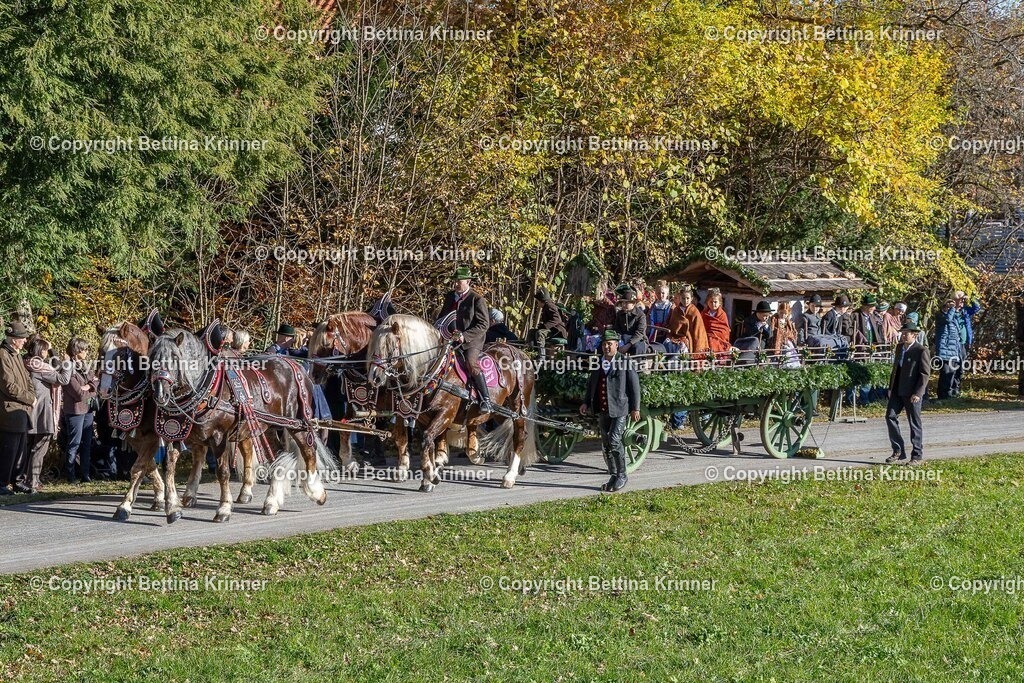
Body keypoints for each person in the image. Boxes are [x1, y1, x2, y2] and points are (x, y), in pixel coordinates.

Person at [580, 329, 640, 493]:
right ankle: (613, 475)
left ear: (616, 345)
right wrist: (586, 402)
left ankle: (622, 474)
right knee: (606, 444)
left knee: (614, 440)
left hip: (620, 408)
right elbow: (592, 385)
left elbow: (634, 387)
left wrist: (635, 408)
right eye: (604, 344)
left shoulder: (624, 362)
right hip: (603, 408)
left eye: (610, 344)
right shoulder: (599, 363)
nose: (607, 347)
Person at [22, 338, 72, 493]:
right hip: (42, 413)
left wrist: (52, 351)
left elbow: (54, 369)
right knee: (40, 447)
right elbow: (62, 378)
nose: (46, 352)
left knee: (29, 447)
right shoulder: (39, 367)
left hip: (31, 412)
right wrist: (68, 363)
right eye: (44, 350)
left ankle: (25, 479)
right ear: (39, 351)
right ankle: (33, 482)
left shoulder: (27, 363)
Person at [446, 266, 495, 412]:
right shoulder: (449, 296)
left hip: (472, 341)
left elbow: (484, 324)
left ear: (468, 281)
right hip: (450, 338)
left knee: (471, 363)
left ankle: (486, 400)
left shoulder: (477, 299)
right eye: (454, 281)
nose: (455, 284)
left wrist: (464, 336)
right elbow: (442, 316)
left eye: (458, 281)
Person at [885, 321, 930, 465]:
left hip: (912, 393)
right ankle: (898, 450)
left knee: (914, 423)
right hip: (898, 390)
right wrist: (891, 387)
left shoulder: (921, 350)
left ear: (914, 335)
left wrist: (918, 393)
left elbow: (924, 374)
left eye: (906, 333)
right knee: (890, 416)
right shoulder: (899, 348)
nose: (903, 336)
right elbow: (895, 369)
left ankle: (917, 455)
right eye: (902, 333)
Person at [0, 322, 35, 495]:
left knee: (21, 448)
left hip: (22, 409)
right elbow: (8, 385)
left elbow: (28, 380)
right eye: (22, 338)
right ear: (14, 340)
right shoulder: (2, 355)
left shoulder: (16, 355)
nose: (25, 340)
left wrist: (31, 395)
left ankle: (17, 481)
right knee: (9, 449)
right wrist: (30, 398)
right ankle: (2, 482)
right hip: (9, 410)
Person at [62, 338, 97, 483]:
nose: (87, 352)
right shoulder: (67, 367)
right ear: (77, 351)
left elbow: (96, 381)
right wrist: (90, 388)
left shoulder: (85, 366)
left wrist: (89, 387)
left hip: (88, 409)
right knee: (74, 443)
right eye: (85, 349)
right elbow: (78, 394)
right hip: (75, 411)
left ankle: (85, 474)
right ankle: (70, 475)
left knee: (87, 443)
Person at [665, 284, 709, 359]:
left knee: (682, 348)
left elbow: (698, 331)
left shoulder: (694, 312)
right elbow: (672, 326)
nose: (685, 301)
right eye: (683, 298)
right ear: (680, 298)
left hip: (688, 339)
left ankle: (680, 364)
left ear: (691, 298)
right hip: (676, 337)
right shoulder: (676, 310)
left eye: (687, 298)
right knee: (667, 343)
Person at [934, 297, 963, 401]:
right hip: (944, 349)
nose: (952, 308)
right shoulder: (940, 315)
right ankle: (942, 395)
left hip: (954, 350)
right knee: (945, 373)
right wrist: (951, 309)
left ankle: (949, 393)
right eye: (949, 305)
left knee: (952, 373)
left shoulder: (953, 317)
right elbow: (947, 320)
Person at [612, 289, 648, 355]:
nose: (624, 305)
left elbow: (640, 333)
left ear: (633, 303)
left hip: (638, 340)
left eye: (626, 303)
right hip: (623, 338)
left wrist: (628, 345)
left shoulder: (641, 315)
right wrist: (619, 341)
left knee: (637, 348)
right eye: (623, 302)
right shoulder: (620, 314)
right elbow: (617, 329)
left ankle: (635, 364)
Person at [701, 288, 732, 356]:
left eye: (715, 302)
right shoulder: (704, 314)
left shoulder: (722, 315)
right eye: (711, 302)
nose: (713, 304)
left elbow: (724, 330)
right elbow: (701, 327)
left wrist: (714, 336)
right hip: (706, 338)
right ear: (707, 302)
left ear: (719, 303)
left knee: (713, 343)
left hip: (719, 340)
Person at [771, 302, 800, 367]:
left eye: (785, 313)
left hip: (787, 340)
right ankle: (783, 364)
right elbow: (773, 330)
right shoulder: (774, 320)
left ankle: (792, 365)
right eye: (781, 312)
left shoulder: (788, 322)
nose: (783, 315)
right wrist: (779, 333)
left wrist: (787, 335)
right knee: (783, 350)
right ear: (778, 311)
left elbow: (791, 332)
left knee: (790, 350)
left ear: (788, 314)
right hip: (777, 339)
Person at [647, 281, 673, 346]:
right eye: (658, 293)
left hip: (665, 327)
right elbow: (650, 316)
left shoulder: (669, 305)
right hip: (654, 327)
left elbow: (670, 318)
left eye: (663, 293)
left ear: (667, 294)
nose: (661, 295)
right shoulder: (654, 305)